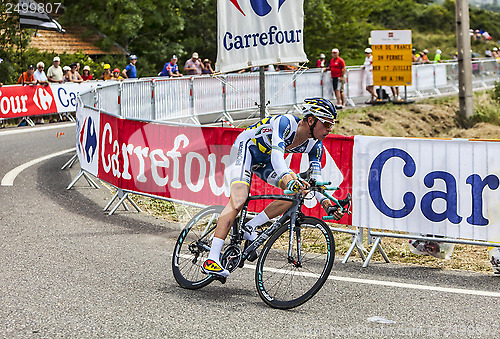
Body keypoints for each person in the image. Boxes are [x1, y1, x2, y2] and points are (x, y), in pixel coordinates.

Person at [201, 98, 344, 277]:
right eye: (326, 124)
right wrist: (288, 178)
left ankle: (251, 226)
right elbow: (277, 159)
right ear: (311, 120)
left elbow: (316, 179)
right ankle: (211, 258)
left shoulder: (316, 145)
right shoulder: (285, 123)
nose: (330, 129)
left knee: (299, 191)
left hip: (265, 160)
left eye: (332, 125)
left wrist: (327, 204)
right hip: (246, 149)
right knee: (238, 200)